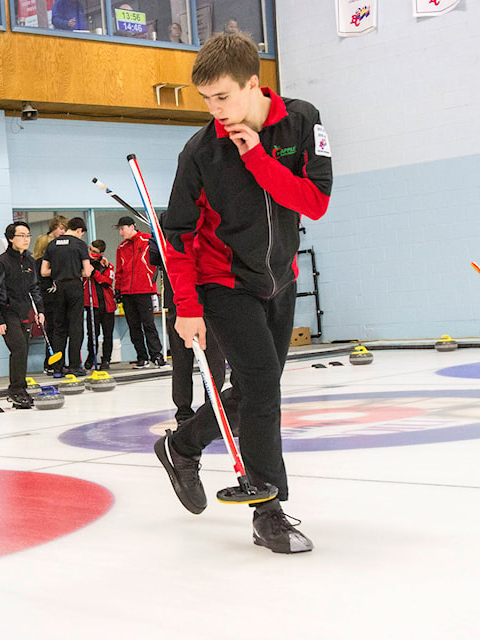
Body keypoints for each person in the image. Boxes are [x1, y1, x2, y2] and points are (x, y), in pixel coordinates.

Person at [154, 33, 332, 554]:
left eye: (224, 97)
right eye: (206, 100)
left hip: (278, 278)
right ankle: (268, 511)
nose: (216, 111)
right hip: (222, 281)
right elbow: (177, 237)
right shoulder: (201, 151)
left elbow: (315, 202)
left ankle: (181, 446)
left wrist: (257, 157)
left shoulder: (301, 122)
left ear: (255, 85)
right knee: (260, 386)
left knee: (256, 388)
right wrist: (186, 306)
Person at [149, 240, 226, 424]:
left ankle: (211, 412)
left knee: (212, 362)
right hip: (182, 304)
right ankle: (187, 413)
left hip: (206, 302)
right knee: (186, 361)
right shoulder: (166, 228)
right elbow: (154, 257)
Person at [0, 221, 44, 409]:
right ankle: (15, 389)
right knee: (18, 348)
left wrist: (39, 310)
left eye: (28, 236)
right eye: (21, 236)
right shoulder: (1, 263)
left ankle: (21, 388)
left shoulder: (29, 261)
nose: (26, 239)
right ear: (11, 238)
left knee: (23, 350)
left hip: (24, 311)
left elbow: (34, 287)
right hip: (7, 312)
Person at [41, 217, 93, 375]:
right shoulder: (79, 245)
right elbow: (88, 271)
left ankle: (57, 367)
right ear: (79, 230)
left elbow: (43, 272)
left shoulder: (52, 244)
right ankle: (75, 366)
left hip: (57, 287)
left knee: (58, 328)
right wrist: (75, 271)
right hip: (74, 287)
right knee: (75, 327)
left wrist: (58, 270)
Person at [114, 215, 164, 368]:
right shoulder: (121, 248)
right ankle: (141, 356)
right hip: (127, 292)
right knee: (134, 326)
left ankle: (156, 355)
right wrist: (118, 288)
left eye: (122, 229)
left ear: (131, 227)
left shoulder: (148, 241)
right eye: (120, 230)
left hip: (144, 289)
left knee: (148, 324)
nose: (121, 233)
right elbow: (120, 271)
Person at [34, 216, 69, 374]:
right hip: (50, 299)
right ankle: (52, 363)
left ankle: (53, 362)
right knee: (54, 330)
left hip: (53, 298)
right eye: (60, 228)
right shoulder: (41, 263)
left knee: (54, 330)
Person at [83, 239, 116, 371]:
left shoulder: (108, 266)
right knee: (92, 334)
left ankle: (106, 359)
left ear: (101, 253)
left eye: (95, 252)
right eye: (90, 250)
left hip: (107, 305)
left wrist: (95, 273)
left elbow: (107, 282)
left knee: (108, 334)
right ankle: (91, 357)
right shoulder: (85, 264)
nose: (91, 253)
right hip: (92, 305)